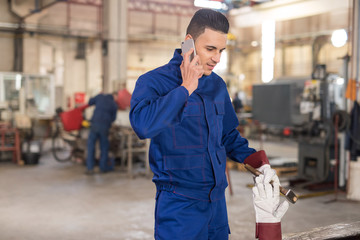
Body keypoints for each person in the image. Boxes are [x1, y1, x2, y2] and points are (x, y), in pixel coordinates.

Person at [130, 9, 288, 239]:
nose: (217, 58)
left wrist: (258, 163)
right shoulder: (154, 82)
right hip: (179, 206)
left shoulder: (217, 86)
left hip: (217, 206)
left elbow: (226, 135)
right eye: (210, 49)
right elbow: (143, 126)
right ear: (188, 44)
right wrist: (185, 89)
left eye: (221, 50)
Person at [85, 92, 118, 175]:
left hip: (94, 124)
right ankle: (102, 168)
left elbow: (89, 102)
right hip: (104, 127)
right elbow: (113, 118)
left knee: (91, 147)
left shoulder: (100, 96)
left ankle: (90, 168)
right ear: (114, 96)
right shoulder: (114, 104)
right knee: (104, 147)